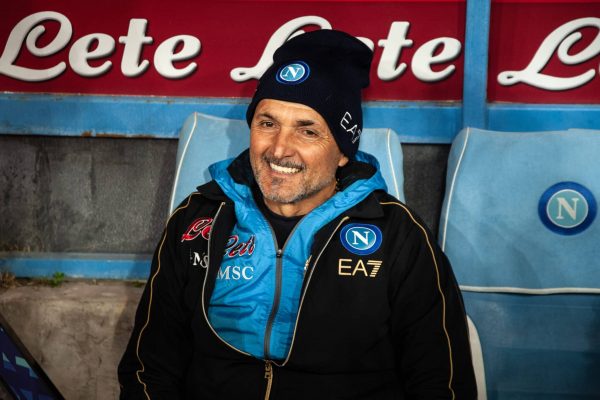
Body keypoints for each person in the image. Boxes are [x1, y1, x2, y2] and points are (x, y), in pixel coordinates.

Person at [118, 29, 477, 399]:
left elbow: (442, 383)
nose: (279, 149)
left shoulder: (399, 237)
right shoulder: (196, 220)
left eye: (307, 131)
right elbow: (149, 367)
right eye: (267, 123)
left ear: (342, 151)